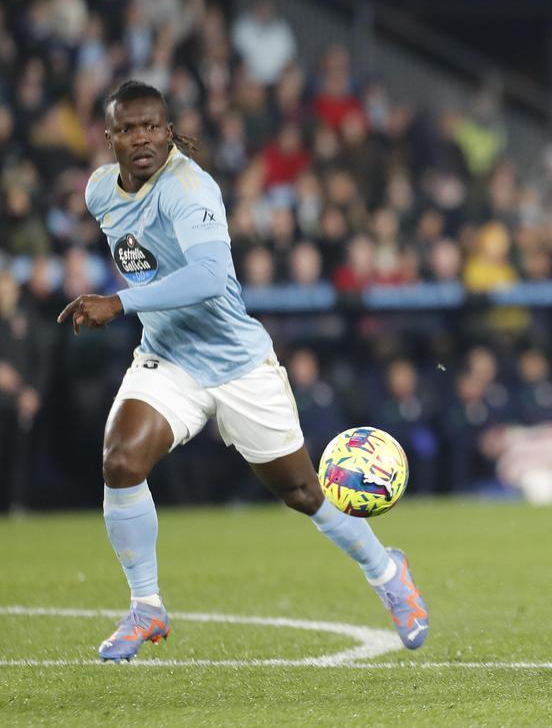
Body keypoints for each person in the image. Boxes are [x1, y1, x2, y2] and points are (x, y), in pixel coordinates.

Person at [57, 81, 428, 661]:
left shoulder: (190, 187)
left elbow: (207, 277)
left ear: (169, 129)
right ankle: (146, 607)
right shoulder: (101, 191)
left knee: (303, 492)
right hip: (170, 357)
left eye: (152, 126)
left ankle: (388, 573)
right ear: (109, 139)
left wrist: (118, 302)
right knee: (120, 461)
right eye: (128, 129)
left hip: (235, 363)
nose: (141, 138)